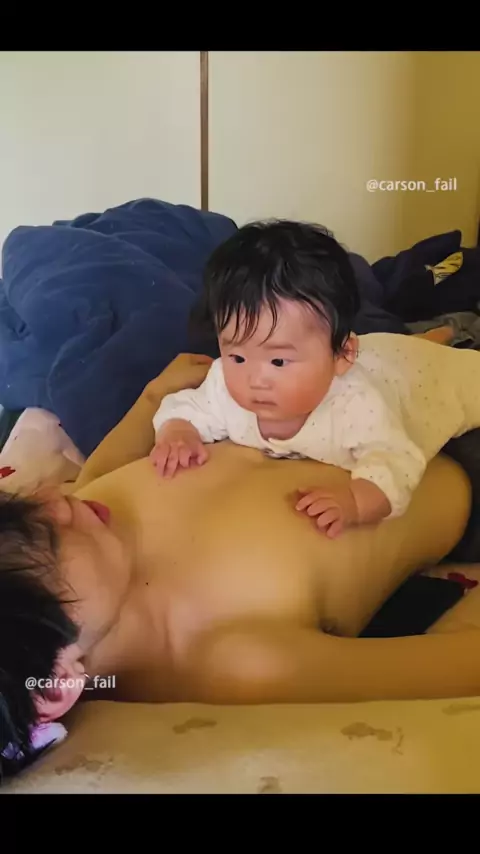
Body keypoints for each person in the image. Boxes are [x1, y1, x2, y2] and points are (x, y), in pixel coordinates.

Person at [150, 220, 480, 539]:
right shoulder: (224, 383)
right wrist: (178, 433)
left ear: (342, 356)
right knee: (403, 346)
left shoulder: (357, 406)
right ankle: (442, 332)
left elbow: (397, 459)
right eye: (237, 357)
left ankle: (453, 332)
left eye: (278, 361)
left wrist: (355, 501)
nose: (255, 379)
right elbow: (184, 407)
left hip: (430, 382)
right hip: (384, 355)